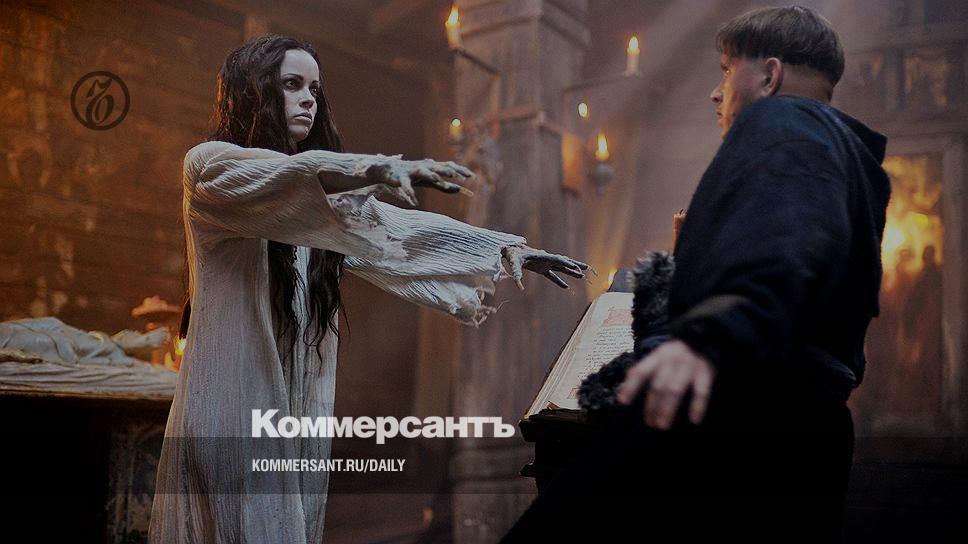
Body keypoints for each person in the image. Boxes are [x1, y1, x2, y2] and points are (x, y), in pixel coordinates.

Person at [147, 35, 588, 544]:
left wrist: (509, 251)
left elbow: (399, 230)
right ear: (255, 91)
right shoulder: (209, 166)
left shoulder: (317, 212)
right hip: (227, 413)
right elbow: (283, 175)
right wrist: (377, 168)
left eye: (314, 89)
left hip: (288, 424)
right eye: (292, 85)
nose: (308, 100)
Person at [503, 5, 891, 542]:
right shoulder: (848, 157)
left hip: (739, 426)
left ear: (769, 76)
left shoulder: (784, 122)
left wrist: (702, 338)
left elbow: (785, 253)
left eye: (727, 71)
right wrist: (693, 266)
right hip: (803, 437)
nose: (716, 92)